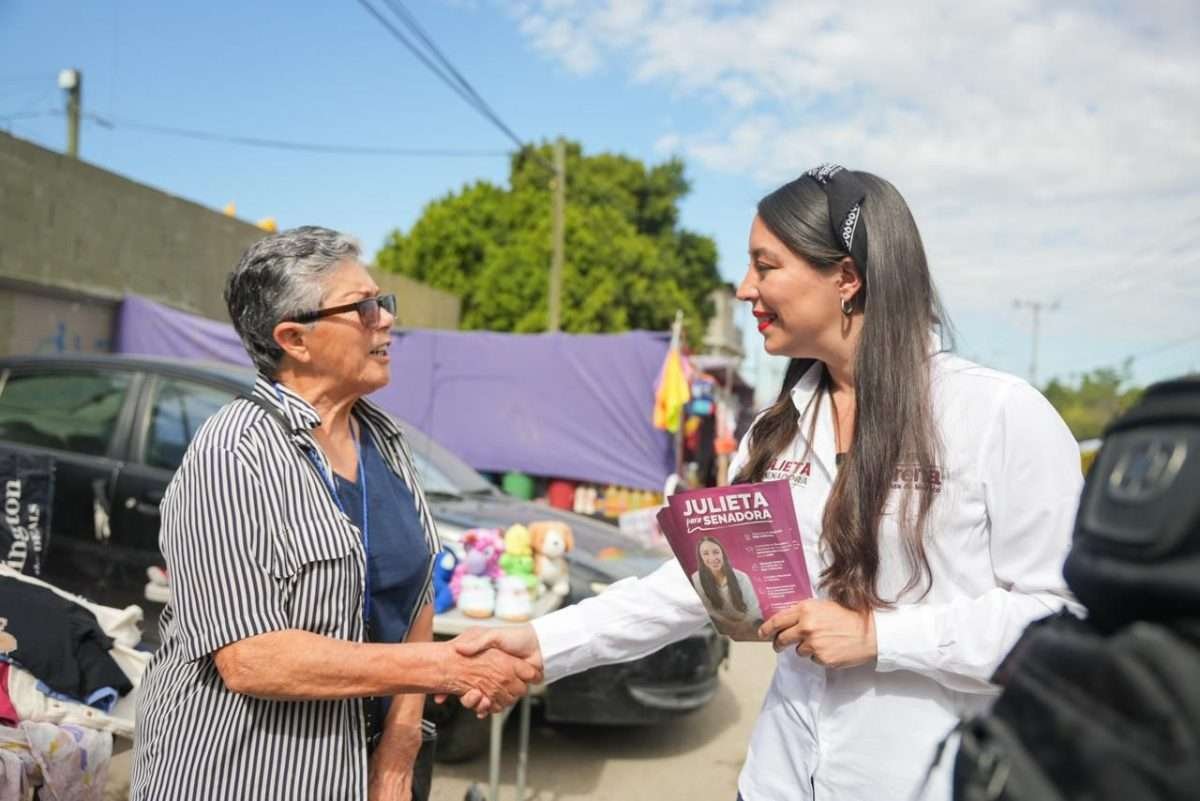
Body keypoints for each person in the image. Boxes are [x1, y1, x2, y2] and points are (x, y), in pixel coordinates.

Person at [453, 166, 1083, 801]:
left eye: (766, 265)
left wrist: (879, 638)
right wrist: (541, 642)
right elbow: (696, 587)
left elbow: (1062, 618)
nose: (744, 288)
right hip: (776, 780)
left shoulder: (1000, 416)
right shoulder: (771, 434)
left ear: (846, 276)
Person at [131, 227, 538, 801]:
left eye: (384, 302)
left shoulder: (384, 438)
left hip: (383, 766)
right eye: (365, 307)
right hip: (250, 776)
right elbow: (254, 659)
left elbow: (415, 594)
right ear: (295, 338)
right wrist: (446, 667)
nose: (386, 320)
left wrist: (399, 751)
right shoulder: (233, 455)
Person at [691, 536, 762, 639]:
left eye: (716, 552)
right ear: (701, 558)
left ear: (722, 554)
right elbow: (705, 611)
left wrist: (743, 627)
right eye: (705, 554)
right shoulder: (696, 579)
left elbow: (754, 609)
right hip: (718, 633)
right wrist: (729, 624)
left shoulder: (741, 577)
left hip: (747, 630)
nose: (712, 558)